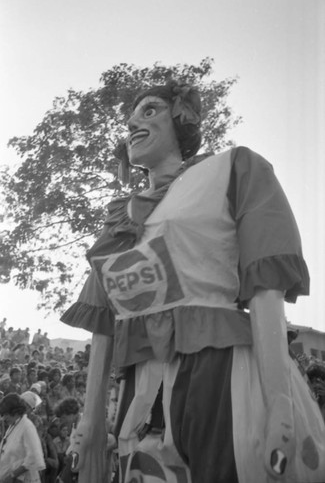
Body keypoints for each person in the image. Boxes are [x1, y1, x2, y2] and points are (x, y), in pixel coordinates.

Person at [61, 81, 325, 482]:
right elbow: (103, 324)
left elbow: (264, 287)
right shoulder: (118, 218)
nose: (133, 121)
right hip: (141, 389)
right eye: (131, 116)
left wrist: (280, 402)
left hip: (219, 372)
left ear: (181, 120)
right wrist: (92, 422)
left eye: (149, 111)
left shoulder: (232, 168)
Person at [0, 393, 45, 483]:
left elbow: (34, 457)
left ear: (15, 412)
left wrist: (13, 475)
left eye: (6, 414)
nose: (4, 418)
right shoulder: (13, 425)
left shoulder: (27, 427)